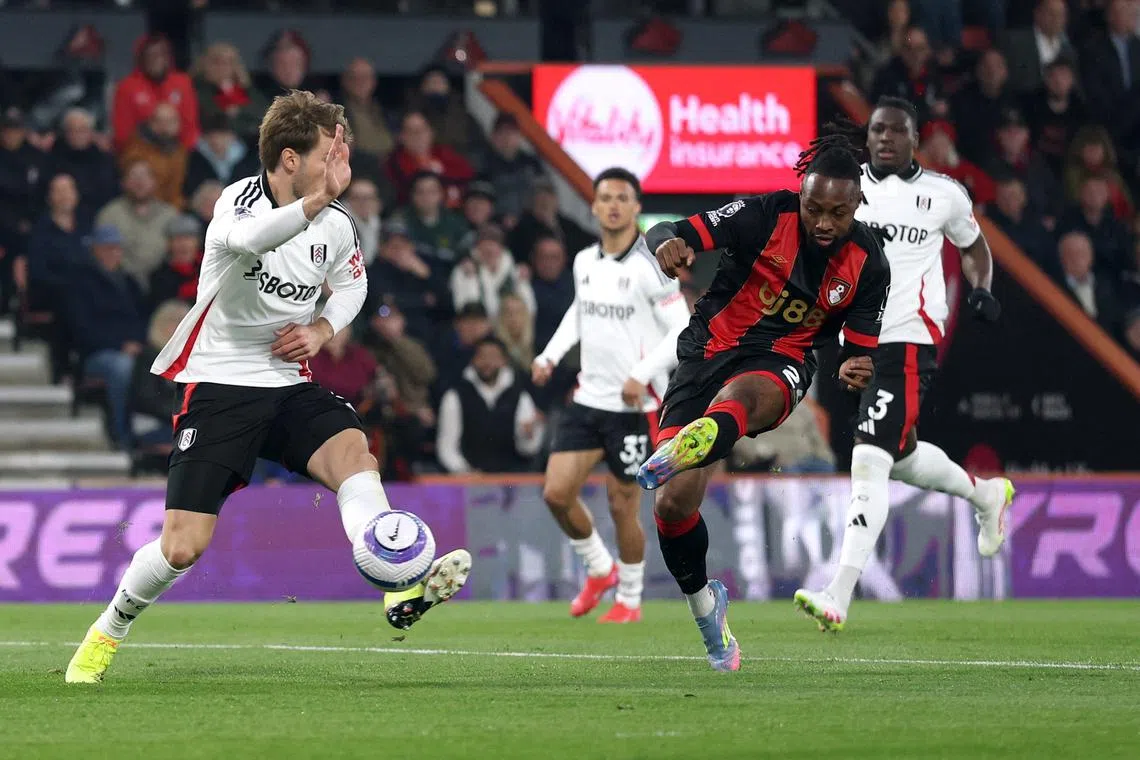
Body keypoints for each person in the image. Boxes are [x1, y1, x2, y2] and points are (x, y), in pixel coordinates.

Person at [65, 90, 471, 685]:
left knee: (355, 454)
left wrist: (324, 327)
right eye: (330, 152)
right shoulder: (237, 201)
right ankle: (108, 631)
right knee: (181, 548)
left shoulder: (336, 224)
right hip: (221, 384)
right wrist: (320, 199)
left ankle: (393, 577)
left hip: (287, 382)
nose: (341, 163)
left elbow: (353, 286)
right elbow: (251, 243)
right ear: (289, 159)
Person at [635, 134, 892, 671]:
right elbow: (671, 230)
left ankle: (705, 433)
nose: (823, 221)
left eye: (837, 213)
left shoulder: (869, 264)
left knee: (744, 395)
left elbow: (861, 352)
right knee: (672, 505)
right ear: (800, 194)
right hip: (707, 352)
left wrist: (855, 366)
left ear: (858, 205)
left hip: (782, 362)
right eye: (813, 207)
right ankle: (707, 609)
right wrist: (665, 244)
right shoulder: (764, 214)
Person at [792, 97, 1015, 634]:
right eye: (877, 131)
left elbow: (974, 245)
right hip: (855, 346)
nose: (885, 139)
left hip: (908, 342)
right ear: (866, 138)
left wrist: (982, 289)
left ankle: (838, 595)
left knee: (869, 458)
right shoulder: (846, 194)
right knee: (901, 454)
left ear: (914, 139)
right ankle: (984, 493)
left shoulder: (942, 194)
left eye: (896, 131)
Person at [532, 167, 690, 624]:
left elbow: (681, 329)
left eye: (623, 197)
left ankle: (631, 600)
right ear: (595, 206)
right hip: (589, 400)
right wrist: (548, 356)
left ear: (637, 207)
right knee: (556, 494)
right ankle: (600, 570)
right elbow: (578, 315)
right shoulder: (584, 261)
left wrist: (642, 374)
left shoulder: (652, 268)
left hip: (633, 407)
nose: (614, 204)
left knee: (623, 504)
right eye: (606, 197)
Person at [62, 224, 148, 448]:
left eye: (117, 248)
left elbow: (143, 317)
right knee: (122, 367)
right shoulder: (80, 283)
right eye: (107, 248)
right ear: (95, 250)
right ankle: (122, 434)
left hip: (134, 349)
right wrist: (121, 344)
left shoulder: (129, 282)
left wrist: (138, 342)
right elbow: (81, 329)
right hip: (97, 354)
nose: (113, 253)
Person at [437, 336, 544, 473]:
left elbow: (528, 449)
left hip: (511, 481)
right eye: (482, 357)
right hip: (468, 480)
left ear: (504, 361)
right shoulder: (454, 396)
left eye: (493, 357)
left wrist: (529, 434)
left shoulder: (520, 397)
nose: (487, 362)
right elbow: (446, 448)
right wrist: (465, 472)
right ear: (473, 360)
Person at [111, 33, 199, 152]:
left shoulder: (183, 82)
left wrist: (185, 154)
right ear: (141, 58)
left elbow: (190, 126)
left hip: (178, 153)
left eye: (162, 54)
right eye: (151, 55)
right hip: (141, 153)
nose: (157, 59)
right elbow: (123, 132)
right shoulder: (127, 86)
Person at [119, 102, 189, 208]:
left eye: (170, 121)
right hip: (143, 208)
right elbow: (136, 189)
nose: (164, 126)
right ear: (151, 123)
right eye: (159, 121)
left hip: (171, 210)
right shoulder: (136, 150)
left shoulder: (180, 151)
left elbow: (177, 190)